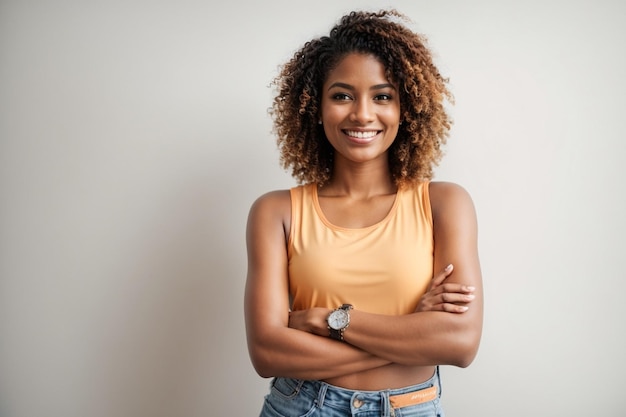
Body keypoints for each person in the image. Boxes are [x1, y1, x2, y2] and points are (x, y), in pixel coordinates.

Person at [244, 9, 483, 417]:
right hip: (302, 406)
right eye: (341, 95)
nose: (362, 114)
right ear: (315, 107)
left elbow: (459, 344)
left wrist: (328, 320)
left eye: (382, 96)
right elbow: (267, 352)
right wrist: (411, 332)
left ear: (405, 108)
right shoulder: (276, 211)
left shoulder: (444, 203)